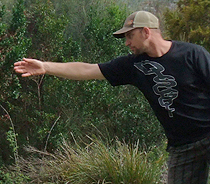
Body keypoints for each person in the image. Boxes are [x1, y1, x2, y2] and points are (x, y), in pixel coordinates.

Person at [13, 10, 210, 183]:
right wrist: (46, 67)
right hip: (182, 146)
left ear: (146, 32)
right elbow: (87, 69)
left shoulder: (192, 54)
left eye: (130, 36)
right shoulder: (133, 66)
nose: (127, 43)